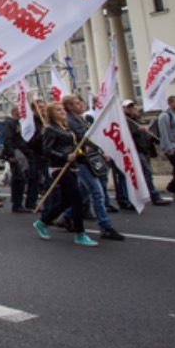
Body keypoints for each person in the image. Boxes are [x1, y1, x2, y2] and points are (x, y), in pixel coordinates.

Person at [33, 102, 98, 246]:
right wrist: (64, 156)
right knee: (77, 198)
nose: (62, 111)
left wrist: (80, 151)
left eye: (62, 109)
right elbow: (47, 150)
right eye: (57, 110)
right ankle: (80, 234)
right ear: (51, 113)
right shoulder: (49, 129)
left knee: (67, 201)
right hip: (59, 168)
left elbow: (71, 146)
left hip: (72, 167)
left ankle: (43, 221)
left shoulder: (66, 128)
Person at [61, 95, 124, 241]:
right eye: (77, 103)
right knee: (97, 192)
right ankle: (105, 225)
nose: (81, 104)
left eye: (80, 102)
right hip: (82, 161)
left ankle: (66, 216)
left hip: (89, 160)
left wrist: (101, 150)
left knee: (84, 193)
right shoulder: (72, 121)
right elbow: (85, 137)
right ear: (69, 107)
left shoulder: (81, 119)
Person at [123, 100, 172, 205]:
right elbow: (125, 135)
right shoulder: (125, 120)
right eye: (129, 107)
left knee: (144, 174)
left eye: (133, 106)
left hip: (142, 149)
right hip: (134, 151)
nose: (133, 109)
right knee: (146, 173)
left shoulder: (135, 120)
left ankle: (144, 195)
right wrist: (137, 130)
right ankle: (154, 196)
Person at [1, 107, 33, 213]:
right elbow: (7, 139)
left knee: (21, 177)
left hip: (20, 151)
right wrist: (10, 154)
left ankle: (18, 202)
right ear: (14, 112)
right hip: (15, 152)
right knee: (18, 177)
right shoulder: (10, 123)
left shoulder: (17, 123)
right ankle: (16, 203)